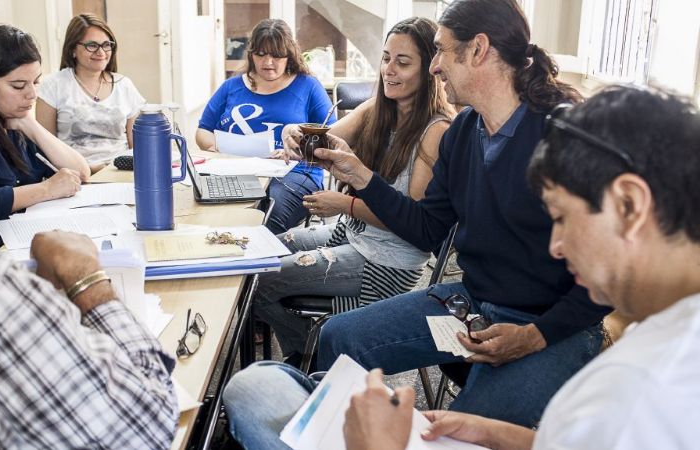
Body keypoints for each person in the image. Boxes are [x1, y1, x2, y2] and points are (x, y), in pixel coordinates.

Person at [226, 0, 610, 433]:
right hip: (474, 304)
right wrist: (364, 178)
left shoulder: (563, 135)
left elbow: (615, 274)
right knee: (339, 336)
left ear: (478, 49)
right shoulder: (464, 134)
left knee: (456, 430)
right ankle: (331, 434)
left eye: (442, 51)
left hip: (551, 325)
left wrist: (535, 336)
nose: (435, 67)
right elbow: (427, 229)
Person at [344, 85, 700, 450]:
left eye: (561, 218)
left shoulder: (649, 388)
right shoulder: (667, 337)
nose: (555, 246)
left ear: (629, 205)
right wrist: (496, 435)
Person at [0, 31, 178, 448]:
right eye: (19, 85)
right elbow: (144, 424)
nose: (30, 94)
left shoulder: (17, 130)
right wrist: (89, 283)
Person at [252, 17, 456, 364]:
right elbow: (321, 143)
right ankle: (309, 356)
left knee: (261, 281)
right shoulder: (379, 108)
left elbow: (412, 224)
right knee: (262, 254)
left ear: (430, 70)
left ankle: (312, 360)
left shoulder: (435, 130)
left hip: (388, 262)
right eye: (386, 58)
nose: (389, 70)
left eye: (403, 62)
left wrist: (345, 204)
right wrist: (294, 134)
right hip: (355, 236)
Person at [196, 18, 335, 234]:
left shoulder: (308, 86)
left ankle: (259, 266)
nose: (268, 62)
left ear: (289, 54)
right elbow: (203, 130)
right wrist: (221, 148)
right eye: (260, 54)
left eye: (276, 55)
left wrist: (298, 151)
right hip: (236, 170)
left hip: (294, 173)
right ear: (251, 54)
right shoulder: (231, 86)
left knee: (268, 218)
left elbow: (332, 137)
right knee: (212, 213)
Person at [0, 25, 90, 247]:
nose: (32, 94)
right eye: (18, 86)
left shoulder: (15, 122)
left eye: (35, 81)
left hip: (26, 238)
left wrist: (30, 125)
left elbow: (81, 172)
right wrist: (45, 189)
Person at [37, 13, 146, 172]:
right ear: (73, 49)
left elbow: (137, 146)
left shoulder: (124, 85)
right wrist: (90, 170)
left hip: (120, 172)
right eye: (92, 45)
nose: (101, 52)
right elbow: (44, 147)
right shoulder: (53, 85)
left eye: (106, 44)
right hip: (74, 175)